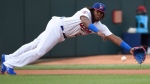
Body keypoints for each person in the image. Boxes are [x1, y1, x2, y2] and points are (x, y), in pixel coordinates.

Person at [1, 2, 134, 75]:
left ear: (102, 15)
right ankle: (9, 64)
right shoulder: (86, 12)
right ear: (93, 10)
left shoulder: (100, 26)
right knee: (39, 51)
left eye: (101, 13)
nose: (99, 13)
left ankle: (7, 58)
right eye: (97, 11)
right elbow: (86, 22)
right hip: (58, 26)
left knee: (34, 44)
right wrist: (97, 32)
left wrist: (130, 49)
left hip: (60, 33)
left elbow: (115, 38)